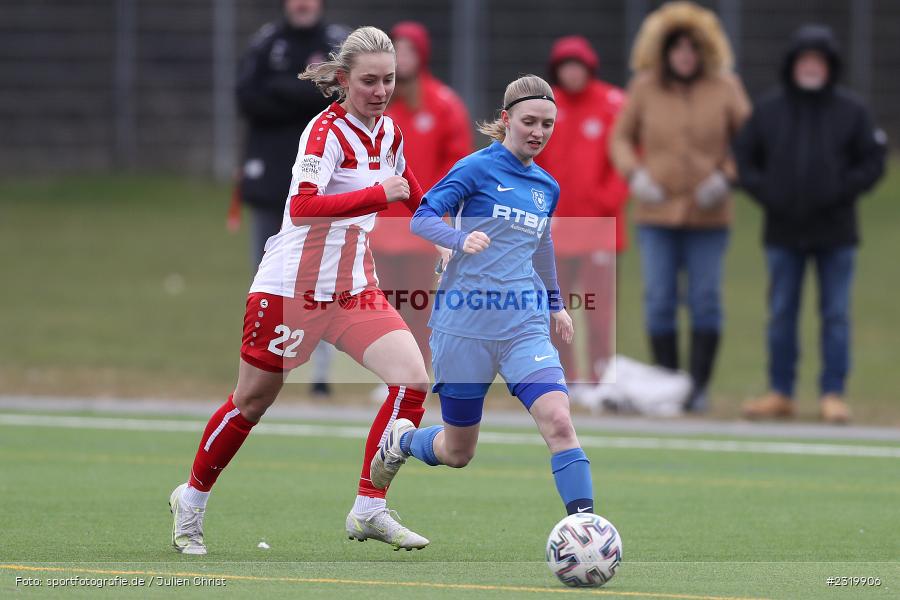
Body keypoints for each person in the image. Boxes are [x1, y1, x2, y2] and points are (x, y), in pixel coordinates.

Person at [169, 26, 432, 555]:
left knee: (412, 380)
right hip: (292, 288)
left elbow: (410, 193)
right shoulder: (325, 133)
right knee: (252, 401)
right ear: (342, 80)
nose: (381, 92)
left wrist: (448, 236)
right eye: (369, 82)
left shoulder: (390, 135)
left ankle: (370, 506)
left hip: (353, 287)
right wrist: (376, 193)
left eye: (389, 80)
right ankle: (191, 500)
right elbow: (303, 207)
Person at [369, 75, 597, 522]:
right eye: (529, 121)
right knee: (457, 451)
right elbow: (422, 218)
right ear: (506, 120)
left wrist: (554, 303)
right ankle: (403, 441)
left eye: (547, 124)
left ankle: (585, 525)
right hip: (464, 327)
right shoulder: (475, 168)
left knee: (559, 422)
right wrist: (456, 239)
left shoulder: (545, 187)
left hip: (522, 326)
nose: (538, 132)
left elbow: (542, 244)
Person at [735, 25, 886, 423]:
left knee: (835, 314)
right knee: (782, 312)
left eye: (819, 60)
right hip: (783, 232)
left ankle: (832, 393)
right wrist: (770, 194)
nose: (811, 67)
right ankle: (781, 392)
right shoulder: (768, 110)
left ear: (830, 66)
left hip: (836, 232)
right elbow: (745, 160)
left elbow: (873, 162)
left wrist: (841, 190)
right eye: (805, 59)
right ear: (793, 64)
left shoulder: (852, 111)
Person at [610, 1, 750, 412]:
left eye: (692, 49)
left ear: (703, 51)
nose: (685, 56)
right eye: (677, 49)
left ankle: (698, 388)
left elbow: (750, 140)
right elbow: (619, 138)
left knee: (705, 297)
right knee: (659, 297)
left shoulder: (727, 87)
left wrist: (726, 175)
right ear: (665, 52)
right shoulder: (644, 87)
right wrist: (635, 174)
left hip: (709, 215)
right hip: (657, 214)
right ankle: (667, 385)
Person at [236, 0, 348, 398]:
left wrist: (281, 90)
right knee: (270, 276)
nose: (303, 4)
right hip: (271, 181)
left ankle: (318, 373)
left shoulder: (338, 42)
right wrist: (303, 95)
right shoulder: (267, 42)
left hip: (323, 186)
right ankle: (265, 367)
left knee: (320, 277)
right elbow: (247, 98)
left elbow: (338, 98)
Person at [535, 35, 628, 389]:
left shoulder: (613, 104)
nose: (572, 74)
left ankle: (602, 378)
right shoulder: (545, 107)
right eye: (565, 67)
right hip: (555, 228)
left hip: (599, 227)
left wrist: (606, 200)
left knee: (599, 310)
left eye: (578, 67)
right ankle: (566, 376)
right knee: (555, 307)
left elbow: (626, 156)